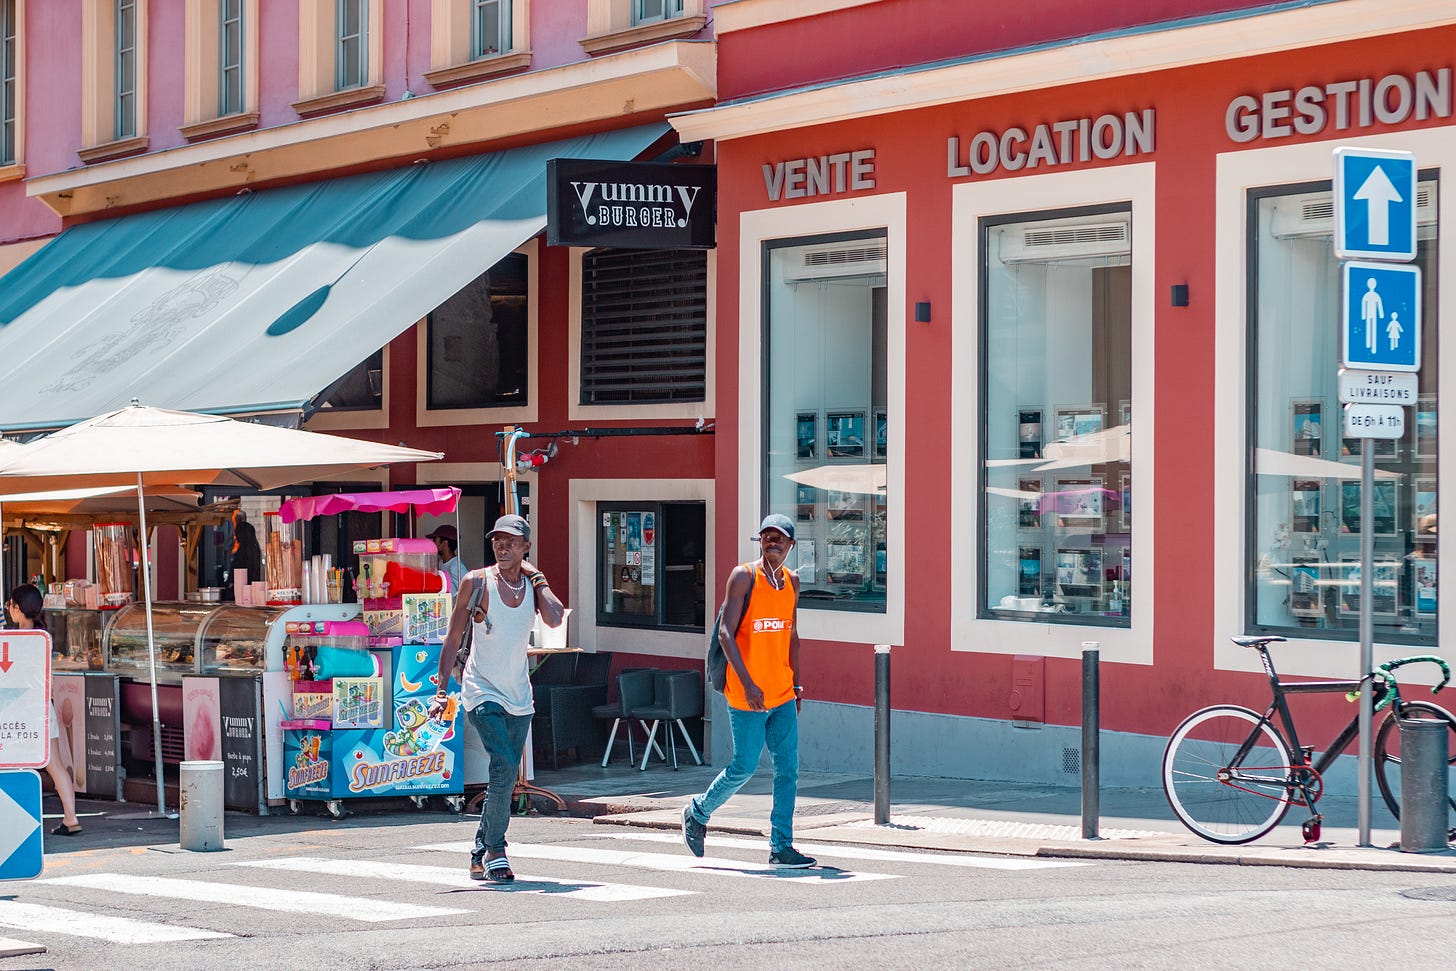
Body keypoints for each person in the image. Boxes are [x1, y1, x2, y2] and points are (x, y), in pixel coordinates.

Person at [432, 514, 564, 882]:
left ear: (526, 547)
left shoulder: (532, 588)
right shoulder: (477, 583)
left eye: (511, 541)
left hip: (519, 695)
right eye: (496, 541)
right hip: (481, 690)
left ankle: (478, 850)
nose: (502, 546)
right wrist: (442, 689)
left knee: (503, 774)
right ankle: (496, 852)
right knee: (505, 765)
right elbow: (453, 636)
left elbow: (554, 619)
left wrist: (540, 579)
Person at [681, 514, 816, 868]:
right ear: (760, 541)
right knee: (743, 767)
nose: (772, 542)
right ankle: (698, 811)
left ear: (790, 545)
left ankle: (781, 845)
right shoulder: (744, 576)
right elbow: (726, 633)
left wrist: (797, 684)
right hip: (748, 694)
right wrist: (747, 683)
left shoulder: (792, 582)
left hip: (782, 693)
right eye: (766, 536)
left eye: (779, 538)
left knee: (789, 769)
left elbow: (791, 635)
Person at [9, 584, 83, 836]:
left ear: (17, 608)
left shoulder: (14, 639)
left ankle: (14, 819)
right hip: (41, 708)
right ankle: (71, 818)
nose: (8, 609)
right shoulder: (43, 637)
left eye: (10, 605)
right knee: (54, 764)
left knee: (11, 762)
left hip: (17, 709)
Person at [426, 524, 469, 594]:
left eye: (435, 540)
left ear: (445, 543)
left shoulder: (456, 566)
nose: (433, 543)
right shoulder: (441, 563)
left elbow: (468, 591)